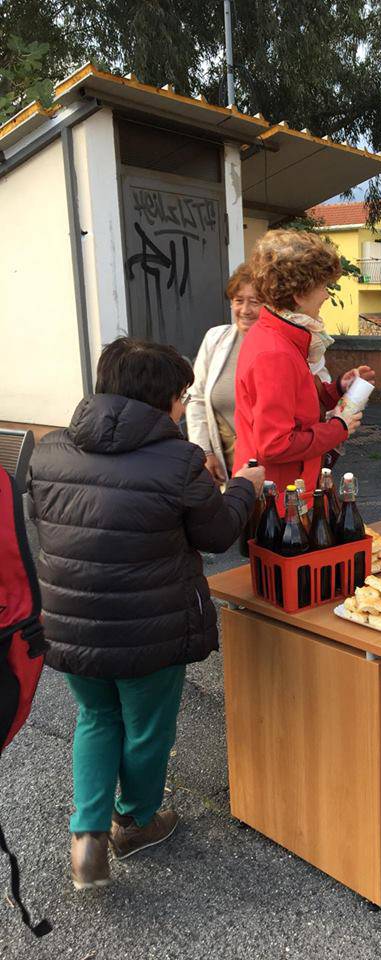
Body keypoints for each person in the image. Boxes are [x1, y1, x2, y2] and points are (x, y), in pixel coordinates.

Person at [28, 338, 264, 890]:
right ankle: (135, 821)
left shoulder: (47, 450)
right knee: (146, 727)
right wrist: (242, 489)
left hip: (70, 620)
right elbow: (218, 534)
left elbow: (45, 522)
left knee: (96, 717)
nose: (185, 407)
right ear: (164, 401)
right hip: (151, 623)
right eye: (183, 396)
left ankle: (87, 836)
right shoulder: (178, 460)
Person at [234, 229, 374, 504]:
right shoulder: (276, 352)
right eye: (322, 286)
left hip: (282, 492)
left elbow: (293, 402)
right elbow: (275, 444)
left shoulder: (277, 335)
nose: (325, 295)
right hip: (281, 501)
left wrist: (335, 389)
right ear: (299, 294)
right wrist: (339, 426)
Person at [186, 264, 262, 484]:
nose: (245, 310)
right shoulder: (215, 339)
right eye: (239, 300)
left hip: (267, 470)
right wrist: (205, 452)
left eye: (255, 301)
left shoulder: (280, 347)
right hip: (222, 470)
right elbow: (196, 398)